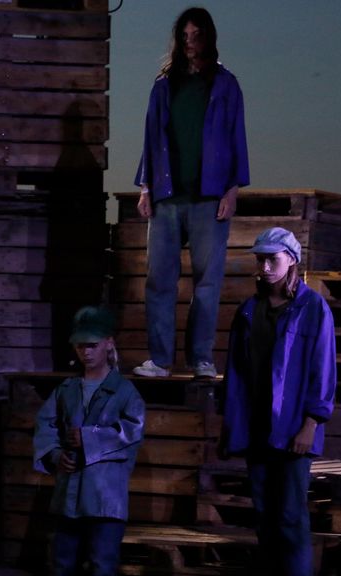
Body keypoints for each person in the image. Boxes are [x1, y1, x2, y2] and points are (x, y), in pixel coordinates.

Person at [220, 228, 336, 576]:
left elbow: (322, 370)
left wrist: (311, 424)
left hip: (292, 430)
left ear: (292, 260)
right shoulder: (249, 311)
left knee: (291, 514)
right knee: (264, 513)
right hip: (256, 427)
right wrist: (233, 425)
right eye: (261, 260)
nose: (265, 266)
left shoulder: (313, 308)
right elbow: (236, 373)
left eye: (274, 259)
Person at [132, 6, 249, 381]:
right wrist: (146, 187)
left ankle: (200, 358)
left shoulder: (226, 84)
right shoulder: (164, 85)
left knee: (207, 281)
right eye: (184, 36)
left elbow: (237, 138)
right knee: (160, 280)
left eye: (196, 35)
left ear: (208, 38)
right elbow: (151, 138)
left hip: (208, 196)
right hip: (168, 197)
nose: (190, 43)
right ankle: (161, 360)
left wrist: (232, 190)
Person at [33, 307, 145, 576]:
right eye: (80, 345)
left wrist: (91, 438)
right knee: (66, 563)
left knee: (102, 564)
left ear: (108, 344)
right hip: (70, 491)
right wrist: (54, 457)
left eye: (92, 344)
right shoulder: (67, 390)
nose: (86, 351)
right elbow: (45, 425)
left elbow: (132, 431)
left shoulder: (124, 392)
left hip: (105, 496)